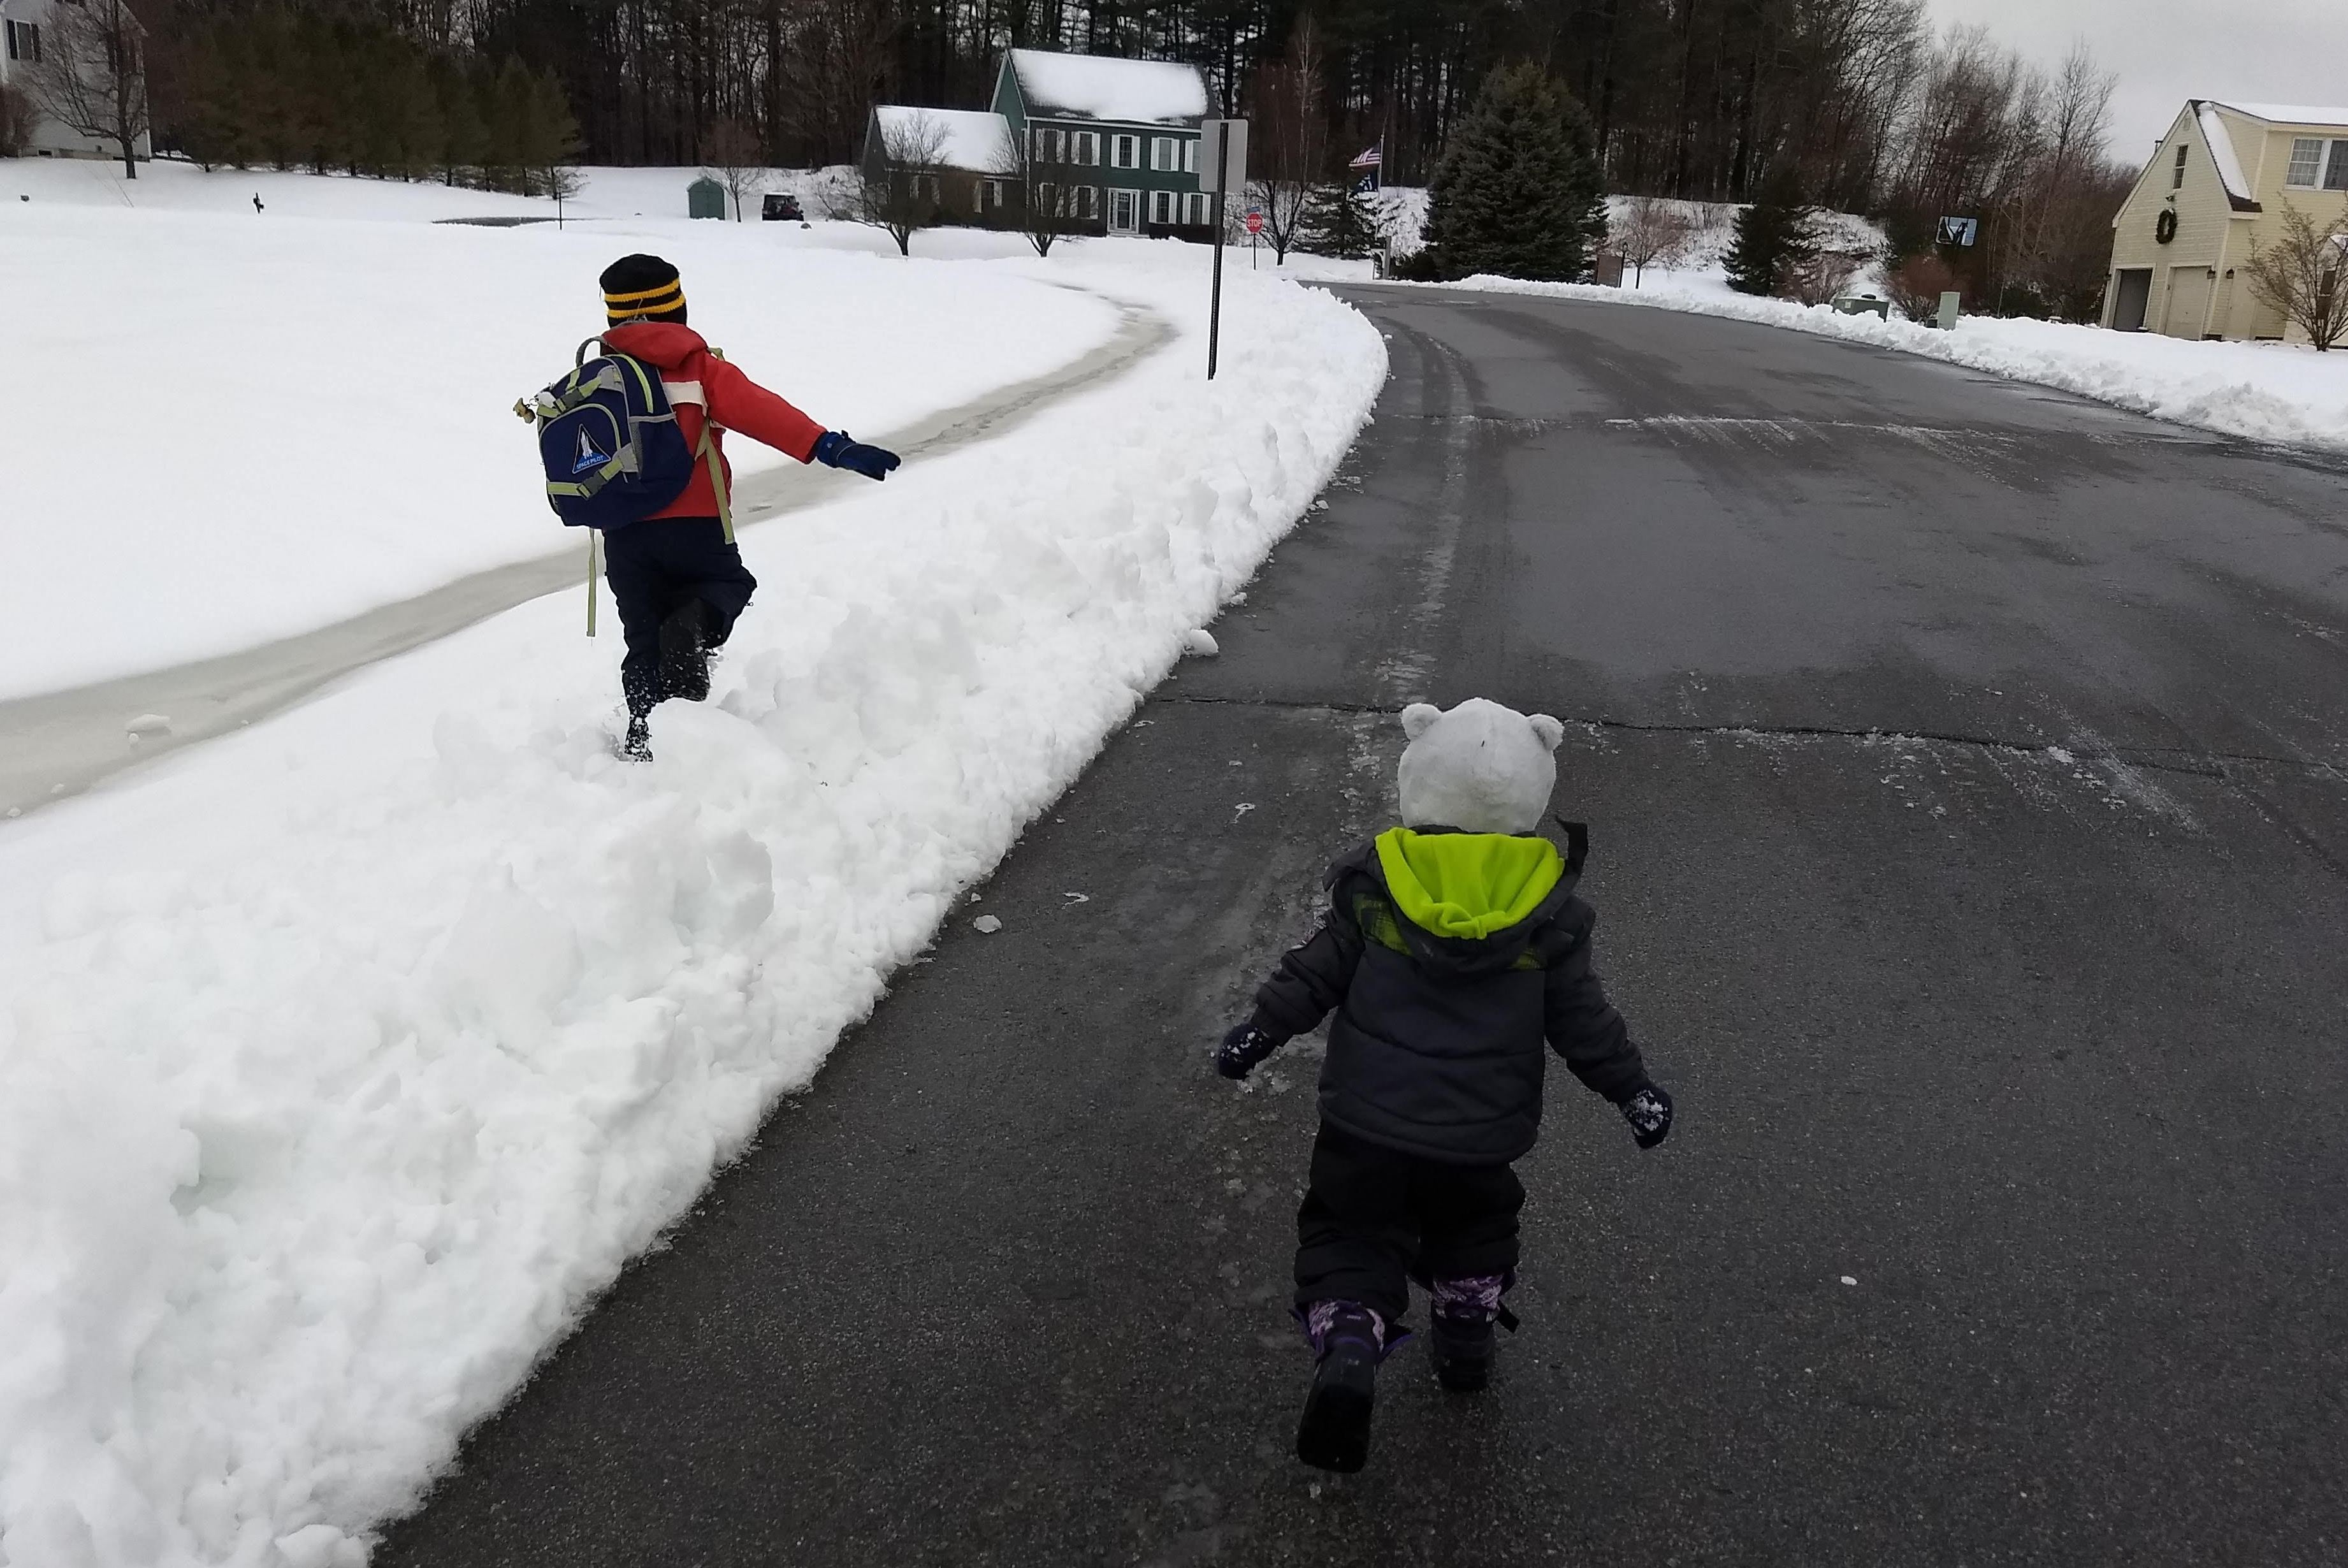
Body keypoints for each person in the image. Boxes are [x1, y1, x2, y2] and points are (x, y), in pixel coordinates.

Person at [1215, 697, 1674, 1473]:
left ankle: (1351, 1337)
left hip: (1367, 1120)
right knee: (1474, 1225)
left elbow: (1314, 974)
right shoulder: (1548, 910)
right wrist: (1633, 1090)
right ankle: (1465, 1339)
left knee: (1352, 1229)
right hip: (1480, 1129)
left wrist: (1259, 1032)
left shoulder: (1379, 884)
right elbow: (1583, 1021)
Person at [592, 253, 899, 759]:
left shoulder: (595, 378)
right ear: (677, 310)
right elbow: (762, 412)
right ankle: (693, 622)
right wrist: (827, 445)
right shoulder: (702, 370)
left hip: (625, 534)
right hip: (697, 525)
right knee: (727, 586)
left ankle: (644, 739)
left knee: (643, 637)